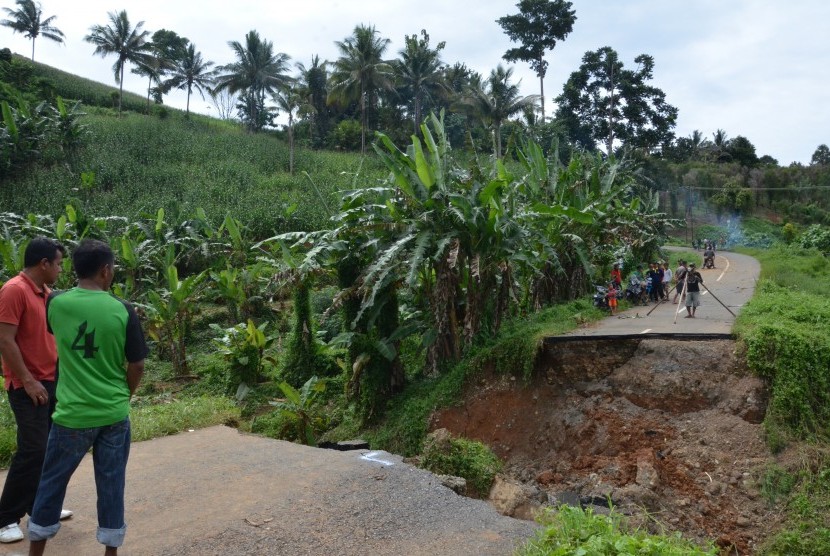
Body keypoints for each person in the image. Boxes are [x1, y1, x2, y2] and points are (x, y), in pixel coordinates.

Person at [28, 239, 148, 556]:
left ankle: (35, 551)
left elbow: (57, 336)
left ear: (75, 268)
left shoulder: (54, 302)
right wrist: (125, 394)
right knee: (111, 486)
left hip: (71, 415)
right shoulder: (123, 310)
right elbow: (137, 364)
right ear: (106, 271)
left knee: (51, 483)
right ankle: (110, 553)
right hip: (113, 414)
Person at [0, 238, 72, 545]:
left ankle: (38, 508)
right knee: (33, 449)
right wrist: (28, 381)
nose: (59, 269)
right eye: (57, 263)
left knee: (50, 448)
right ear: (44, 263)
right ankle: (5, 519)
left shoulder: (47, 294)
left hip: (51, 380)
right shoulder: (14, 290)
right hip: (27, 384)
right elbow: (5, 339)